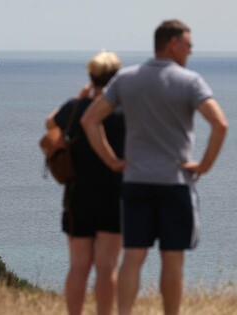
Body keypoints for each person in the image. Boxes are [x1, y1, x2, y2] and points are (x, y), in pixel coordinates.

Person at [81, 19, 228, 315]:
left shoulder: (126, 78)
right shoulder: (191, 81)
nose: (191, 50)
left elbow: (89, 120)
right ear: (172, 44)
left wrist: (112, 160)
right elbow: (220, 123)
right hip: (175, 184)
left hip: (136, 182)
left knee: (133, 256)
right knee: (173, 259)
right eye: (188, 44)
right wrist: (205, 165)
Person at [45, 51, 124, 315]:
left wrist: (81, 98)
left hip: (78, 195)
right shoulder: (125, 112)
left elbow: (49, 122)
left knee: (79, 265)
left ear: (91, 77)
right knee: (107, 267)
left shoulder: (75, 108)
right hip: (115, 194)